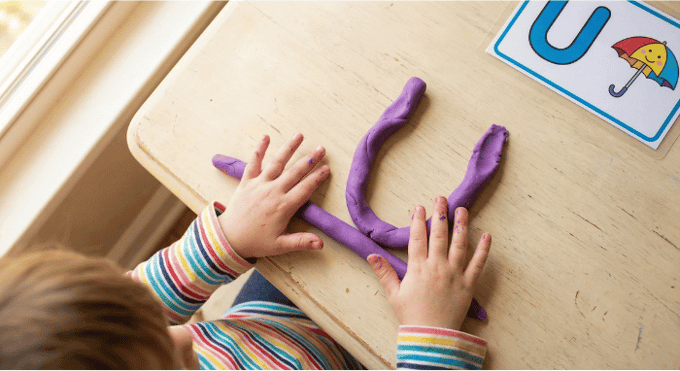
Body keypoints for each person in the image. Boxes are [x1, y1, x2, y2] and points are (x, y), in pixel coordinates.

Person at [0, 133, 491, 369]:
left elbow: (146, 296)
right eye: (176, 366)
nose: (187, 337)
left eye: (158, 325)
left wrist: (229, 237)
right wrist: (434, 335)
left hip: (271, 321)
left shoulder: (116, 336)